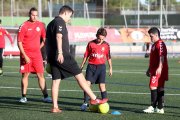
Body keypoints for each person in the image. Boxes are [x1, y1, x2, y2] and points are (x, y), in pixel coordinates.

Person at [46, 5, 108, 113]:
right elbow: (58, 36)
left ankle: (55, 107)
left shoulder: (51, 23)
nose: (69, 18)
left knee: (56, 81)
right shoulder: (60, 22)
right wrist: (60, 52)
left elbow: (47, 42)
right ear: (65, 13)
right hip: (63, 56)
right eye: (69, 16)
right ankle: (94, 99)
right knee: (79, 76)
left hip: (53, 57)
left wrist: (49, 58)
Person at [17, 7, 51, 103]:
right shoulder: (23, 26)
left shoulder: (40, 25)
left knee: (40, 75)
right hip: (26, 55)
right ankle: (23, 97)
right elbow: (19, 42)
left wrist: (38, 48)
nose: (34, 17)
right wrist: (25, 55)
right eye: (33, 15)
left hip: (37, 55)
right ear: (29, 14)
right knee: (25, 75)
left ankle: (46, 96)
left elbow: (45, 40)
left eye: (36, 15)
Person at [80, 27, 112, 111]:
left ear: (104, 38)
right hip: (91, 67)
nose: (100, 40)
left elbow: (108, 56)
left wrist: (110, 68)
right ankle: (85, 103)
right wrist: (82, 65)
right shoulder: (91, 43)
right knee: (87, 84)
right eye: (98, 38)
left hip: (101, 67)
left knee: (102, 85)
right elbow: (86, 55)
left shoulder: (106, 45)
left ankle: (104, 102)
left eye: (102, 39)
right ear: (96, 36)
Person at [143, 27, 168, 114]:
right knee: (159, 88)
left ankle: (153, 107)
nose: (151, 38)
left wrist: (160, 67)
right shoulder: (154, 44)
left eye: (151, 36)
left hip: (159, 70)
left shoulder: (160, 44)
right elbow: (153, 59)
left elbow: (162, 56)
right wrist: (149, 69)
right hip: (154, 69)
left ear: (156, 35)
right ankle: (160, 108)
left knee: (153, 86)